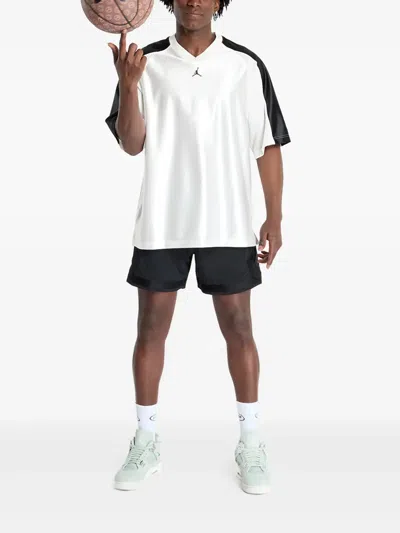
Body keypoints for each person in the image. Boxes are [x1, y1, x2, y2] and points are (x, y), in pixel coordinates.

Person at [105, 0, 291, 495]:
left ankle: (251, 442)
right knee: (150, 329)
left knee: (239, 328)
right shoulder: (144, 62)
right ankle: (146, 440)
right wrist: (128, 85)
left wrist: (273, 216)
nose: (194, 1)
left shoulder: (245, 65)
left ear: (219, 2)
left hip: (227, 223)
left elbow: (267, 144)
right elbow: (131, 143)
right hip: (163, 223)